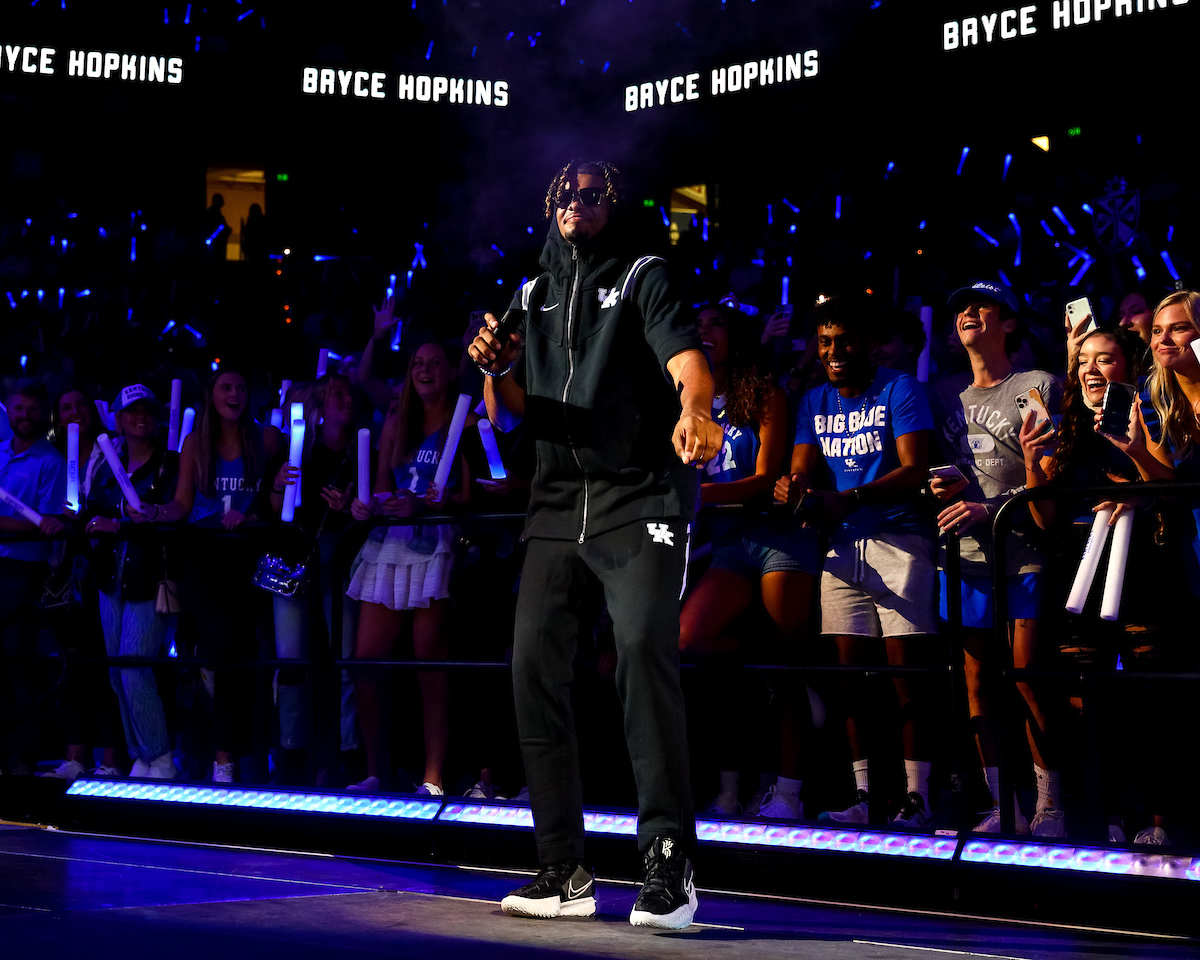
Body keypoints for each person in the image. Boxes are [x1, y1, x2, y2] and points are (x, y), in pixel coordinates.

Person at [470, 158, 722, 929]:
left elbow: (689, 362)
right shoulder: (531, 292)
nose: (576, 203)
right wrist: (496, 369)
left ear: (614, 205)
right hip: (555, 503)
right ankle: (562, 866)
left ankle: (669, 862)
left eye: (591, 194)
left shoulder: (644, 274)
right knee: (531, 668)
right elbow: (511, 413)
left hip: (638, 495)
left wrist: (698, 409)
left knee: (644, 648)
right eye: (564, 194)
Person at [774, 294, 938, 831]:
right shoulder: (814, 400)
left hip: (899, 540)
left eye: (843, 341)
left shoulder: (899, 387)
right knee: (850, 682)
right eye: (824, 342)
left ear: (867, 344)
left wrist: (852, 497)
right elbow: (801, 470)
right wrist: (791, 489)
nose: (833, 351)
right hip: (840, 548)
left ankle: (917, 797)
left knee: (905, 678)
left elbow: (916, 469)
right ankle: (865, 794)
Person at [1019, 326, 1178, 845]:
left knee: (1149, 698)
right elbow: (1044, 519)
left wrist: (1132, 464)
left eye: (1105, 360)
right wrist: (1029, 460)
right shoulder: (1064, 430)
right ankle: (1104, 816)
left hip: (1140, 570)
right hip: (1078, 573)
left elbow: (1170, 488)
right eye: (1084, 360)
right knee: (1088, 700)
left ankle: (1155, 820)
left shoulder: (1147, 415)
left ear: (1128, 369)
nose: (1090, 369)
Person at [929, 280, 1065, 837]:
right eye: (960, 307)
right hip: (961, 555)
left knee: (1029, 675)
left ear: (1008, 323)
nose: (967, 313)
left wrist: (991, 508)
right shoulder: (941, 392)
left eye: (980, 306)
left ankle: (1051, 806)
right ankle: (1001, 804)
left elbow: (1048, 472)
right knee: (977, 683)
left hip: (1023, 549)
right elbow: (930, 468)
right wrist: (938, 490)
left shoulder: (1037, 384)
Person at [678, 301, 820, 822]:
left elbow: (765, 478)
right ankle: (763, 652)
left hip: (778, 538)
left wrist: (697, 495)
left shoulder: (764, 394)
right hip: (731, 545)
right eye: (698, 325)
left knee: (783, 672)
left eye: (715, 323)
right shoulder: (690, 402)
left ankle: (787, 793)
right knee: (688, 639)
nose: (704, 331)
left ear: (736, 337)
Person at [133, 368, 280, 783]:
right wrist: (156, 513)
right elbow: (181, 504)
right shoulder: (194, 442)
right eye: (226, 387)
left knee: (236, 657)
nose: (234, 394)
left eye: (240, 387)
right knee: (221, 651)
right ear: (211, 395)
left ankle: (229, 758)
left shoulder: (266, 439)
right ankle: (220, 759)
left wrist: (251, 515)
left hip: (247, 559)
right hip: (203, 556)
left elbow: (276, 501)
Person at [345, 341, 472, 795]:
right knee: (364, 663)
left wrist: (423, 504)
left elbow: (468, 496)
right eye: (417, 362)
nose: (425, 369)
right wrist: (365, 507)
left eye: (435, 362)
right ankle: (375, 772)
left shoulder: (466, 422)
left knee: (429, 667)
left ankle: (433, 778)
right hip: (389, 544)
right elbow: (378, 489)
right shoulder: (397, 423)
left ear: (450, 371)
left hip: (434, 544)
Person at [267, 374, 366, 786]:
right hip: (294, 564)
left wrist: (352, 504)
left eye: (348, 393)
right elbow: (276, 511)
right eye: (334, 394)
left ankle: (348, 753)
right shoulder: (299, 455)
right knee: (292, 664)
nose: (344, 399)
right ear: (320, 410)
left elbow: (368, 511)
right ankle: (292, 753)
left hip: (341, 563)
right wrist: (276, 487)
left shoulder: (365, 455)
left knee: (345, 662)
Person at [84, 384, 181, 780]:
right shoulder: (107, 465)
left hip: (149, 580)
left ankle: (160, 758)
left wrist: (119, 521)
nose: (141, 417)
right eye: (132, 411)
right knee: (115, 671)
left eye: (148, 410)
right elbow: (92, 507)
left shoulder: (169, 465)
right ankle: (140, 755)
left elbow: (175, 512)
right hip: (111, 578)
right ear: (119, 419)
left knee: (134, 667)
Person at [0, 380, 67, 775]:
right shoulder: (1, 453)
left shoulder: (52, 461)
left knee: (16, 661)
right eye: (18, 408)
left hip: (23, 571)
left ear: (42, 414)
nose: (24, 415)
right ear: (8, 409)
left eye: (31, 409)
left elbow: (43, 524)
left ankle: (23, 757)